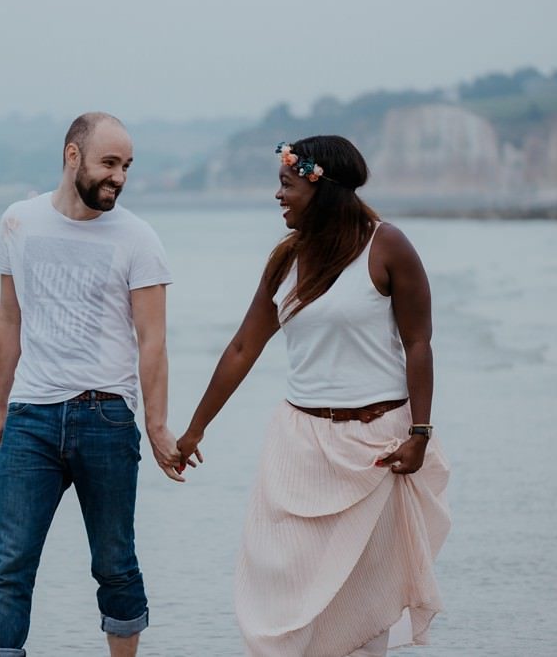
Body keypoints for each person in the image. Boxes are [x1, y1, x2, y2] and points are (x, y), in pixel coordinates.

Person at [176, 136, 451, 656]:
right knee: (281, 588)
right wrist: (195, 429)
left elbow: (419, 343)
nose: (278, 196)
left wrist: (420, 433)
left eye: (287, 185)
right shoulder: (286, 260)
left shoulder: (386, 246)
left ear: (319, 186)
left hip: (378, 448)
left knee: (365, 601)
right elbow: (241, 348)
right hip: (299, 446)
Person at [0, 112, 186, 657]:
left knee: (115, 562)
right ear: (73, 157)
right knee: (10, 566)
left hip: (107, 418)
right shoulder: (18, 221)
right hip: (31, 418)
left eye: (127, 166)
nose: (119, 176)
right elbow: (7, 318)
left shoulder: (138, 237)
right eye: (109, 163)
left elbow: (153, 340)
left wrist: (157, 426)